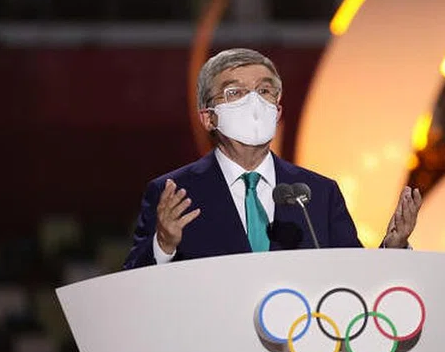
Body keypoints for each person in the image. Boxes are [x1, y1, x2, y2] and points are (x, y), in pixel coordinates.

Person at [123, 48, 422, 269]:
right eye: (235, 92)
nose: (253, 101)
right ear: (208, 118)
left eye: (264, 90)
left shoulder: (319, 193)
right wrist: (164, 245)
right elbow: (132, 285)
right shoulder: (174, 194)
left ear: (277, 111)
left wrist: (392, 249)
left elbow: (353, 278)